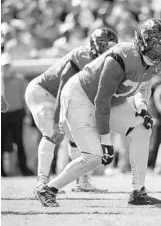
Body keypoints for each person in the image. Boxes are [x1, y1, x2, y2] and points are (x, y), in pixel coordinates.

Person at [34, 18, 161, 207]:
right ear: (143, 41)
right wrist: (106, 141)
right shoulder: (122, 56)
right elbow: (102, 100)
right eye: (156, 47)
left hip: (109, 101)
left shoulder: (155, 64)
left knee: (142, 129)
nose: (159, 53)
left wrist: (142, 107)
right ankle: (48, 188)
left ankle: (138, 191)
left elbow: (142, 86)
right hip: (80, 97)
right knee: (94, 156)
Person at [25, 28, 118, 191]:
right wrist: (56, 122)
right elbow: (63, 87)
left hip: (64, 98)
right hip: (44, 92)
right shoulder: (82, 56)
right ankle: (42, 181)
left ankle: (82, 181)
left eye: (111, 46)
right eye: (104, 45)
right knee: (52, 134)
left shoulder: (108, 63)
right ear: (94, 45)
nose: (107, 50)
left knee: (77, 137)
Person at [1, 54, 34, 176]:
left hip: (17, 114)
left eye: (8, 66)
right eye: (4, 66)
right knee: (1, 142)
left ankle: (23, 168)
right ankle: (2, 171)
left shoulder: (19, 80)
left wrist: (27, 115)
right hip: (2, 115)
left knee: (19, 142)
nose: (6, 69)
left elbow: (25, 99)